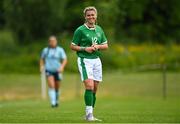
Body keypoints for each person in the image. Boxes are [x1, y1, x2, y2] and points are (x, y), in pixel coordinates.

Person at [70, 6, 108, 121]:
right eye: (88, 15)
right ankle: (89, 115)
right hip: (84, 60)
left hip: (96, 60)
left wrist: (98, 46)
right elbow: (72, 46)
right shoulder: (80, 30)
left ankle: (91, 113)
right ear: (85, 17)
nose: (91, 17)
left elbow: (106, 46)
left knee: (95, 88)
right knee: (89, 86)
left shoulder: (99, 29)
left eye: (92, 15)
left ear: (96, 16)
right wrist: (84, 49)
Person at [40, 36, 67, 108]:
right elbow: (42, 59)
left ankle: (57, 100)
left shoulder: (60, 50)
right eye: (51, 41)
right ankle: (53, 102)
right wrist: (41, 66)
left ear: (56, 42)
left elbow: (64, 59)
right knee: (51, 85)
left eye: (54, 41)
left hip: (58, 71)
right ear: (49, 42)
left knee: (57, 87)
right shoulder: (45, 50)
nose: (52, 42)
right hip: (49, 70)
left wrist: (62, 67)